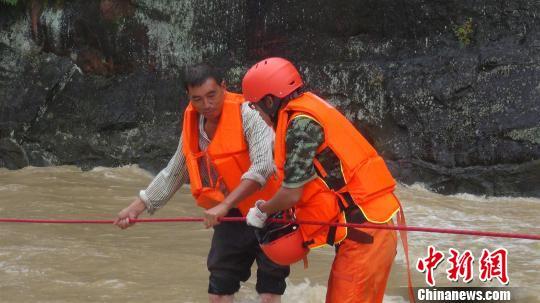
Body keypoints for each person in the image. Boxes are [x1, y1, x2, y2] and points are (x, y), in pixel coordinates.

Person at [113, 63, 289, 303]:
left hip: (270, 209)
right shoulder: (193, 123)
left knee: (269, 294)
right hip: (232, 216)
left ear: (223, 87)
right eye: (197, 99)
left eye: (211, 95)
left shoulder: (248, 113)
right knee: (218, 293)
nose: (206, 105)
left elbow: (262, 167)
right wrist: (137, 207)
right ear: (188, 97)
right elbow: (175, 171)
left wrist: (223, 205)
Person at [242, 57, 400, 303]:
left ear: (270, 101)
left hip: (367, 231)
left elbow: (291, 193)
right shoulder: (309, 108)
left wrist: (263, 209)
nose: (258, 114)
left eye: (255, 107)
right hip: (372, 226)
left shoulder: (300, 127)